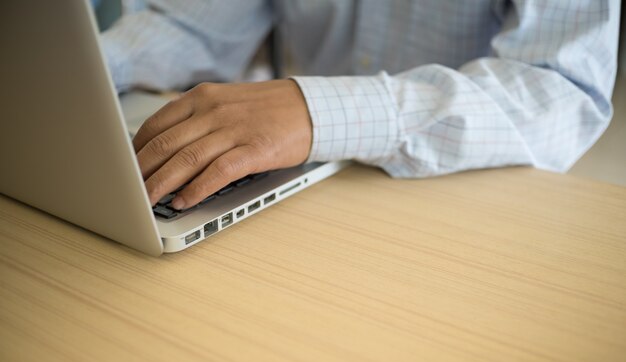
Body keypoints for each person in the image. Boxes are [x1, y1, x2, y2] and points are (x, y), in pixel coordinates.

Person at [101, 0, 620, 211]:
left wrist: (317, 112)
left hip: (463, 204)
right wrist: (88, 64)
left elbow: (563, 93)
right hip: (298, 190)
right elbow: (198, 23)